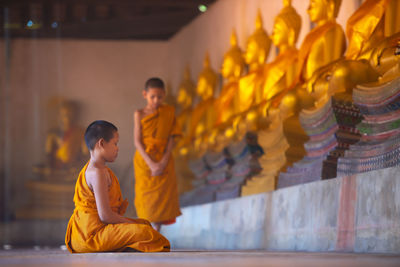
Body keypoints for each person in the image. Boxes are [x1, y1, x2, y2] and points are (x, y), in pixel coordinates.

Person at [65, 120, 170, 253]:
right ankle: (125, 245)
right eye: (115, 143)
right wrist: (131, 223)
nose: (117, 148)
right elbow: (105, 216)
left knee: (145, 224)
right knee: (147, 234)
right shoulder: (97, 173)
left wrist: (133, 223)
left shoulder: (102, 170)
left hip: (99, 229)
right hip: (91, 235)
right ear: (102, 143)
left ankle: (124, 245)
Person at [133, 77, 182, 232]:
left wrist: (163, 161)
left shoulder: (168, 112)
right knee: (146, 198)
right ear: (144, 94)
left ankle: (157, 232)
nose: (156, 100)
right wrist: (152, 164)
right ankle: (148, 232)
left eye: (160, 97)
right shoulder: (139, 114)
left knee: (162, 197)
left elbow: (172, 138)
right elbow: (137, 141)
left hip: (164, 158)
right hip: (144, 160)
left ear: (164, 95)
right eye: (152, 96)